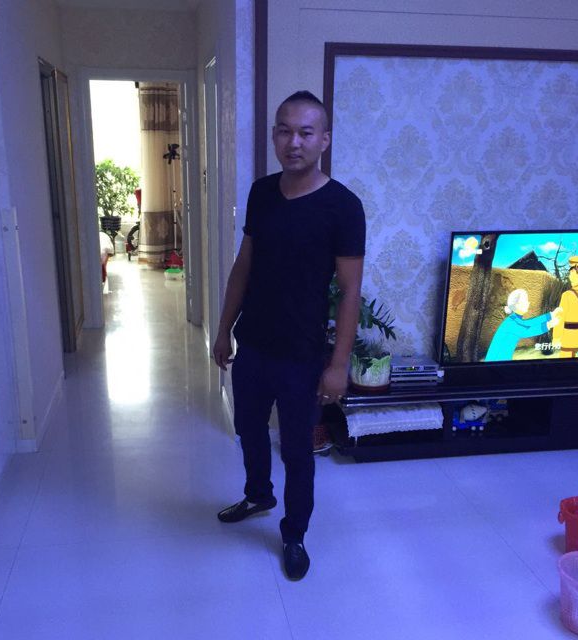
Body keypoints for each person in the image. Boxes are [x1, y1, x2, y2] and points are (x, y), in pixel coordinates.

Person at [212, 91, 365, 580]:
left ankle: (294, 532)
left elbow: (350, 292)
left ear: (324, 140)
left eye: (305, 132)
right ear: (274, 135)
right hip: (254, 344)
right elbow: (243, 266)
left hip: (301, 355)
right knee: (248, 429)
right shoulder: (261, 193)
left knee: (298, 450)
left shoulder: (343, 207)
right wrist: (223, 329)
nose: (293, 142)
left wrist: (338, 364)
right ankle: (258, 495)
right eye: (284, 130)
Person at [484, 288, 561, 361]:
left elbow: (529, 322)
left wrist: (551, 315)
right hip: (494, 363)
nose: (528, 303)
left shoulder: (514, 318)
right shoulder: (511, 323)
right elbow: (527, 331)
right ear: (517, 305)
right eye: (525, 301)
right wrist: (549, 324)